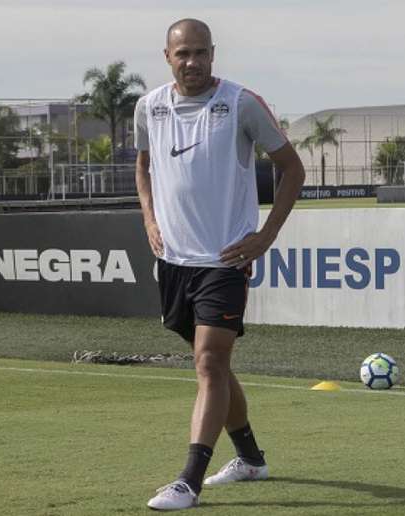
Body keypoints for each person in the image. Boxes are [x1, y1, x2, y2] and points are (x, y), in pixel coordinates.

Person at [134, 19, 305, 510]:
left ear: (214, 53)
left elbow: (292, 167)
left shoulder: (240, 103)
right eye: (183, 53)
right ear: (167, 56)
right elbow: (143, 165)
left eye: (201, 52)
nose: (193, 62)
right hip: (172, 261)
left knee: (210, 363)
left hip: (224, 259)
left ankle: (188, 479)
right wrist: (148, 218)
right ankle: (250, 457)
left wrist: (266, 235)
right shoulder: (149, 106)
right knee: (214, 366)